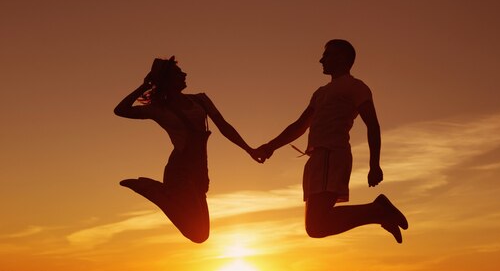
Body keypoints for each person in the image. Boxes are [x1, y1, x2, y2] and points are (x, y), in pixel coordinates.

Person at [254, 40, 408, 243]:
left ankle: (377, 210)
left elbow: (372, 125)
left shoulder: (355, 87)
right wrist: (270, 146)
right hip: (316, 160)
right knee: (315, 227)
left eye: (327, 55)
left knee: (317, 226)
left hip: (332, 155)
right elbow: (300, 125)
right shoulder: (320, 93)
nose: (321, 60)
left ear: (342, 57)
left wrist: (374, 165)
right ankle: (378, 212)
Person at [114, 56, 261, 243]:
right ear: (165, 81)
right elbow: (120, 110)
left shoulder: (201, 100)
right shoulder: (158, 109)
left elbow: (224, 126)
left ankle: (157, 191)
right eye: (177, 73)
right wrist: (145, 86)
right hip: (179, 171)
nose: (184, 74)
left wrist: (249, 149)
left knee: (202, 232)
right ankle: (153, 190)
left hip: (200, 169)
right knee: (198, 235)